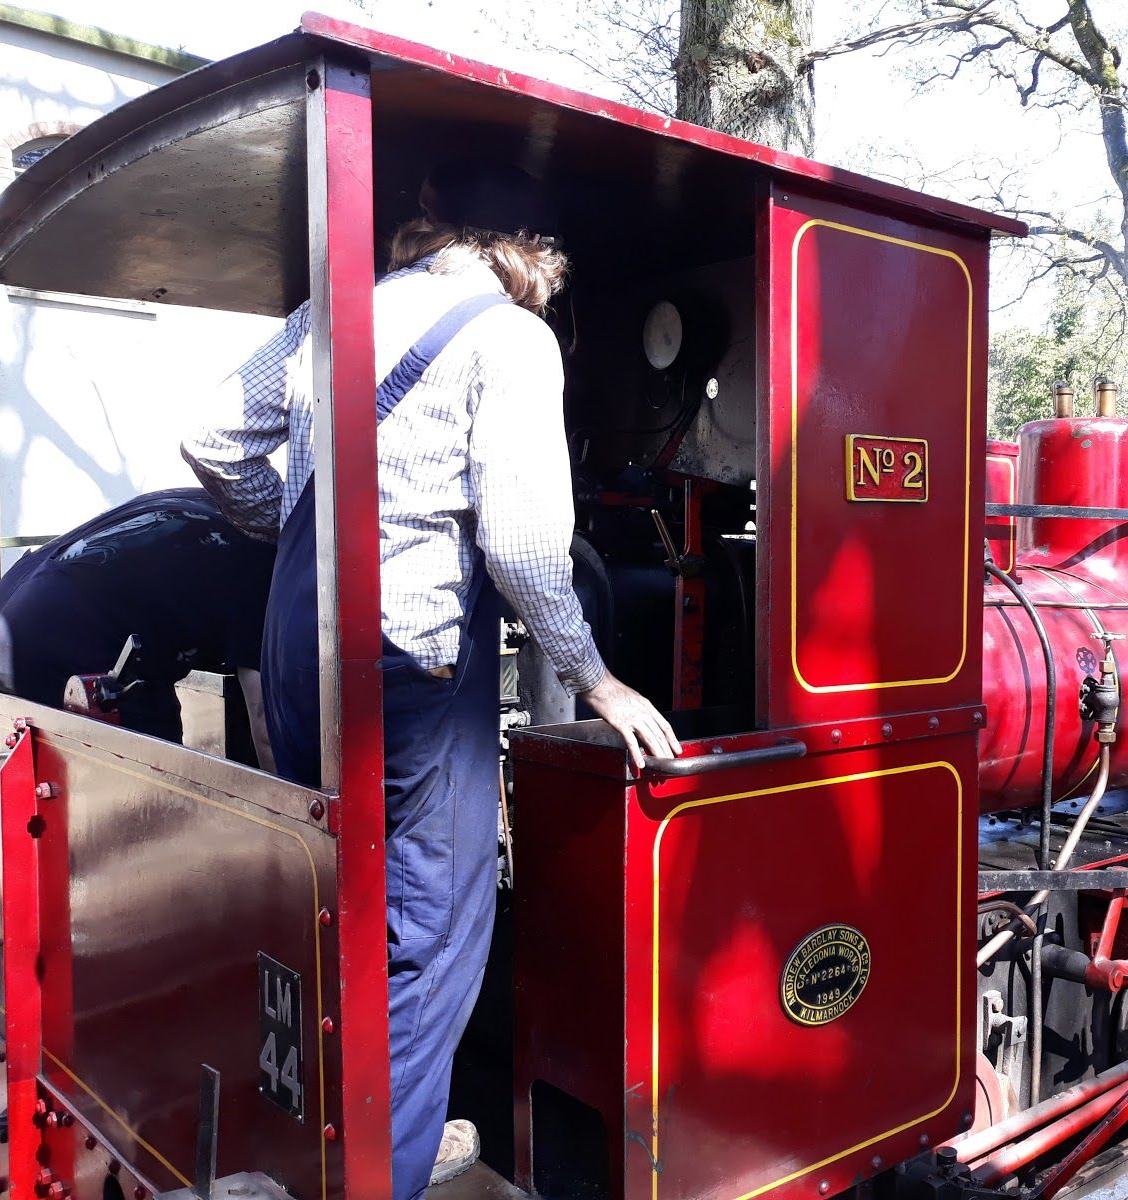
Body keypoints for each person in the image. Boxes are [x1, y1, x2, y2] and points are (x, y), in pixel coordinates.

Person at [182, 158, 679, 1200]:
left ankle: (319, 1142)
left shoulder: (336, 313)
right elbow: (526, 548)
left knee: (337, 908)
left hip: (298, 662)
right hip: (413, 675)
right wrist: (599, 682)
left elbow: (213, 436)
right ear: (532, 259)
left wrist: (302, 541)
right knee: (432, 945)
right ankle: (381, 1178)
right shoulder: (509, 337)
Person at [0, 488, 276, 763]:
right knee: (158, 775)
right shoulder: (266, 569)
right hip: (68, 629)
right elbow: (266, 724)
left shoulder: (234, 506)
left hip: (17, 595)